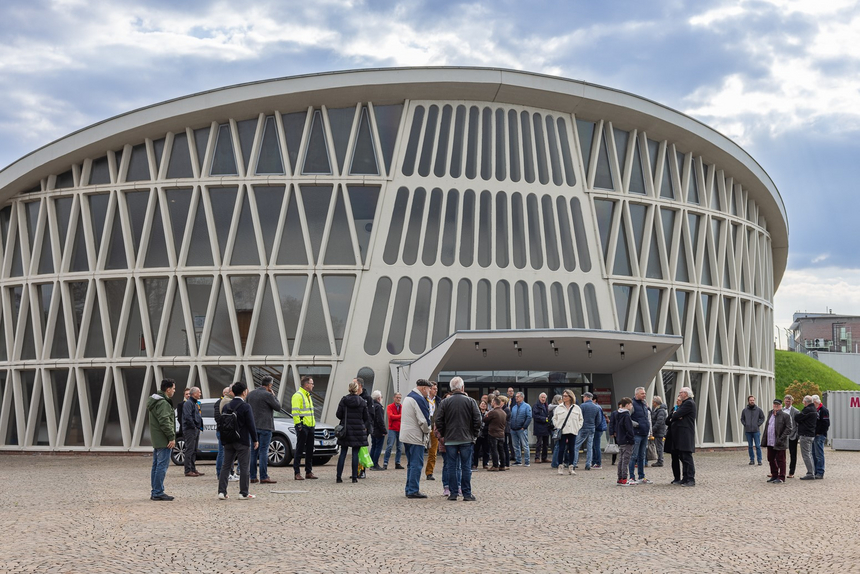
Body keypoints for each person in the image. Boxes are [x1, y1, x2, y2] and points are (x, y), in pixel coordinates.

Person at [435, 376, 482, 501]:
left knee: (451, 466)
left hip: (450, 439)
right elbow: (478, 420)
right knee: (466, 467)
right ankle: (466, 493)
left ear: (451, 388)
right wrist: (474, 434)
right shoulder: (470, 401)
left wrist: (444, 434)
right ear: (462, 387)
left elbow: (438, 420)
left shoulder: (445, 402)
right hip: (466, 438)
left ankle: (453, 493)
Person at [217, 381, 259, 500]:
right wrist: (255, 439)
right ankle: (243, 493)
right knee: (245, 466)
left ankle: (222, 492)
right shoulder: (246, 406)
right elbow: (251, 424)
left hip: (229, 440)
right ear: (244, 392)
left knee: (226, 466)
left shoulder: (226, 406)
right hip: (242, 440)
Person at [335, 379, 372, 483]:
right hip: (358, 430)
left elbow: (338, 414)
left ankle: (338, 477)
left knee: (343, 453)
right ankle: (355, 477)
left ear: (349, 389)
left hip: (346, 430)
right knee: (355, 453)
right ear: (357, 389)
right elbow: (366, 417)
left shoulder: (344, 400)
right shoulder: (362, 401)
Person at [401, 380, 432, 498]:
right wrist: (428, 430)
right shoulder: (419, 399)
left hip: (407, 436)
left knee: (411, 464)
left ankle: (409, 488)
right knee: (416, 464)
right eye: (429, 389)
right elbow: (423, 420)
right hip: (415, 436)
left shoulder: (409, 397)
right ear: (424, 388)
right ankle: (413, 490)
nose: (429, 392)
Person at [247, 376, 281, 484]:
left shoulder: (251, 394)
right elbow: (278, 407)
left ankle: (252, 476)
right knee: (263, 451)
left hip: (253, 427)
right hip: (265, 426)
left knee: (253, 452)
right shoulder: (268, 395)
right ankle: (263, 476)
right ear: (269, 385)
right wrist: (274, 396)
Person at [147, 379, 176, 501]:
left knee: (156, 466)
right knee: (161, 466)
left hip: (157, 438)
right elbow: (165, 421)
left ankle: (155, 491)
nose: (174, 391)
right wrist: (171, 437)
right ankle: (158, 492)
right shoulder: (163, 403)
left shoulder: (155, 400)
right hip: (164, 439)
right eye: (173, 388)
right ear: (168, 389)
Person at [668, 387, 696, 487]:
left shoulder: (689, 403)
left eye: (681, 393)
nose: (679, 394)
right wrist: (676, 415)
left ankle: (690, 479)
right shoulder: (684, 404)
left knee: (687, 457)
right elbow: (673, 416)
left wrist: (676, 415)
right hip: (681, 435)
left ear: (686, 394)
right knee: (683, 457)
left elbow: (676, 415)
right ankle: (685, 478)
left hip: (685, 434)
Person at [291, 376, 318, 481]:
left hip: (310, 425)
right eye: (312, 383)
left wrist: (313, 424)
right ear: (306, 384)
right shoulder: (298, 395)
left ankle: (308, 471)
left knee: (310, 450)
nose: (313, 385)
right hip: (303, 426)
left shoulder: (308, 396)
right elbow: (295, 412)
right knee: (299, 449)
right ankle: (297, 472)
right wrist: (298, 425)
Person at [552, 389, 583, 475]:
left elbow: (581, 419)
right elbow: (554, 418)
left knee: (572, 449)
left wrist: (577, 427)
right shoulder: (559, 407)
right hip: (562, 431)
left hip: (573, 431)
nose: (564, 397)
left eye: (566, 396)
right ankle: (560, 466)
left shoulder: (577, 408)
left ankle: (571, 467)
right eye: (563, 396)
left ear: (570, 397)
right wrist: (557, 426)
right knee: (561, 449)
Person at [762, 398, 792, 484]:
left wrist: (781, 438)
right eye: (774, 404)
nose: (776, 406)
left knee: (781, 459)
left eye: (777, 404)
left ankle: (781, 477)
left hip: (779, 441)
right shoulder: (770, 413)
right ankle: (774, 474)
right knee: (770, 458)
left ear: (781, 406)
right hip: (770, 440)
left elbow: (789, 428)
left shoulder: (785, 416)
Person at [214, 386, 239, 482]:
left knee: (228, 453)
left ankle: (230, 473)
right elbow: (218, 417)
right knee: (222, 453)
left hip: (224, 430)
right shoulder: (221, 402)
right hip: (223, 431)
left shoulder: (227, 401)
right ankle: (221, 474)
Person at [628, 387, 652, 485]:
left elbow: (648, 417)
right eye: (642, 393)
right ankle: (632, 477)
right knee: (633, 456)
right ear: (636, 394)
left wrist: (649, 430)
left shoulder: (644, 404)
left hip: (644, 433)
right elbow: (627, 418)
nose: (644, 395)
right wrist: (636, 424)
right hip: (636, 434)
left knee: (642, 456)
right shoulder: (632, 404)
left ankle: (641, 476)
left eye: (644, 393)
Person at [610, 397, 636, 486]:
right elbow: (629, 429)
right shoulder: (626, 415)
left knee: (621, 459)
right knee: (626, 460)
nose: (632, 406)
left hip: (620, 439)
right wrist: (632, 439)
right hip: (627, 440)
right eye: (631, 404)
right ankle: (624, 478)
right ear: (627, 405)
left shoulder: (617, 414)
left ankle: (620, 478)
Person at [574, 392, 602, 470]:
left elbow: (579, 417)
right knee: (590, 447)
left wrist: (579, 426)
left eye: (584, 397)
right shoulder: (596, 407)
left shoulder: (582, 406)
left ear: (587, 397)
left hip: (583, 428)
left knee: (576, 445)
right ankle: (588, 464)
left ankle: (574, 462)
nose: (583, 398)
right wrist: (594, 426)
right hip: (592, 428)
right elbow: (598, 420)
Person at [181, 386, 204, 477]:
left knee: (194, 450)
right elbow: (188, 416)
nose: (200, 394)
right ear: (194, 393)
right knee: (189, 450)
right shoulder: (188, 403)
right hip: (190, 429)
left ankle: (193, 469)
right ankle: (188, 470)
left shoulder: (194, 403)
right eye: (199, 392)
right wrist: (194, 426)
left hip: (195, 429)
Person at [795, 396, 818, 480]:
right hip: (811, 434)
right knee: (809, 454)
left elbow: (797, 418)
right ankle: (812, 472)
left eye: (803, 401)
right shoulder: (814, 409)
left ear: (805, 402)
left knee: (806, 455)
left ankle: (810, 473)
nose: (803, 403)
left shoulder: (807, 410)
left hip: (805, 435)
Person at [509, 392, 532, 466]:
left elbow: (529, 417)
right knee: (516, 446)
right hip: (513, 429)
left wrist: (524, 427)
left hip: (521, 429)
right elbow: (511, 417)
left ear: (522, 397)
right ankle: (518, 461)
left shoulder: (527, 406)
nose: (516, 398)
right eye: (516, 397)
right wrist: (511, 426)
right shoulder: (514, 407)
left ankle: (527, 461)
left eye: (518, 397)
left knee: (525, 445)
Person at [741, 395, 765, 466]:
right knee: (750, 446)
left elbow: (762, 418)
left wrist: (758, 424)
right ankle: (752, 460)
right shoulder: (745, 410)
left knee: (758, 446)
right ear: (748, 401)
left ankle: (759, 460)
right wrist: (745, 424)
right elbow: (742, 418)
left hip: (756, 430)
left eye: (753, 400)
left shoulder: (758, 410)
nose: (752, 401)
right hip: (748, 431)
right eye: (751, 400)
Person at [485, 397, 507, 471]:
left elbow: (485, 419)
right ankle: (503, 465)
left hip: (493, 433)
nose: (491, 404)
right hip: (501, 434)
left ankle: (495, 465)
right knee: (501, 450)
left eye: (491, 402)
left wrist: (487, 414)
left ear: (494, 403)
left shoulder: (493, 412)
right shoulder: (503, 412)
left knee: (494, 450)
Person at [383, 393, 404, 470]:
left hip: (400, 429)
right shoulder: (390, 407)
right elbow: (391, 416)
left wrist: (397, 417)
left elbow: (404, 416)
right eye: (397, 397)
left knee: (399, 447)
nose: (398, 399)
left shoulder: (402, 407)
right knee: (389, 446)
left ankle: (397, 463)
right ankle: (385, 462)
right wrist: (400, 416)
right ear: (394, 398)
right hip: (392, 429)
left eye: (400, 398)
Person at [812, 395, 829, 479]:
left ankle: (820, 471)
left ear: (815, 402)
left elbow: (826, 424)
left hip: (819, 435)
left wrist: (819, 432)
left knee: (819, 454)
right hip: (813, 435)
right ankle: (815, 471)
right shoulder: (815, 410)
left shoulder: (823, 410)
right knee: (813, 454)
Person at [369, 390, 387, 470]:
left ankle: (371, 463)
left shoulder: (371, 405)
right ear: (379, 398)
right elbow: (380, 420)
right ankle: (375, 464)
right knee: (378, 448)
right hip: (378, 430)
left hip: (372, 429)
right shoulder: (379, 407)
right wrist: (384, 431)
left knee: (373, 446)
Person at [425, 382, 440, 481]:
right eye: (434, 389)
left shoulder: (439, 401)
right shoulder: (423, 400)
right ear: (429, 389)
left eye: (436, 389)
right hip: (424, 427)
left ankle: (429, 472)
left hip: (434, 428)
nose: (436, 391)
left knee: (433, 452)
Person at [782, 394, 799, 478]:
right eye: (786, 401)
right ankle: (780, 470)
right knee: (780, 453)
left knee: (793, 454)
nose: (787, 402)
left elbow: (798, 424)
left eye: (789, 401)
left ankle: (791, 472)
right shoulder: (781, 410)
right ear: (784, 401)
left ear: (792, 402)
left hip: (792, 435)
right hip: (782, 435)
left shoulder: (796, 411)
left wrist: (796, 435)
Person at [532, 393, 551, 464]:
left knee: (546, 444)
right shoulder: (536, 406)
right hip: (539, 427)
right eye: (542, 397)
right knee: (539, 443)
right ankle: (537, 457)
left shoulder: (546, 405)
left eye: (544, 398)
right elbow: (535, 416)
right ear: (539, 398)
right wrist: (545, 419)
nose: (543, 399)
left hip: (546, 427)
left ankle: (544, 457)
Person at [651, 396, 668, 467]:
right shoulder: (659, 410)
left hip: (659, 431)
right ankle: (660, 460)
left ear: (655, 403)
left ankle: (660, 461)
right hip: (659, 431)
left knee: (659, 446)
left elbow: (659, 421)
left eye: (653, 402)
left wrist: (653, 429)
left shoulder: (660, 410)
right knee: (659, 446)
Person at [473, 400, 490, 470]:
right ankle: (474, 464)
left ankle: (485, 463)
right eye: (482, 404)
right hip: (478, 434)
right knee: (476, 450)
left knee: (486, 450)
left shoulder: (488, 414)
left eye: (484, 404)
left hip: (486, 434)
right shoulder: (477, 413)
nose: (483, 405)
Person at [591, 397, 606, 470]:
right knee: (594, 445)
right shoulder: (598, 407)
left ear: (594, 400)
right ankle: (594, 462)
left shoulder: (597, 407)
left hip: (597, 429)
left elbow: (598, 420)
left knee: (596, 446)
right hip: (598, 428)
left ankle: (598, 462)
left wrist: (594, 426)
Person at [548, 394, 563, 468]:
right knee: (557, 445)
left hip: (553, 428)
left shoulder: (550, 407)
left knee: (556, 445)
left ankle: (555, 462)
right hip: (557, 428)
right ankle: (555, 462)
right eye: (560, 399)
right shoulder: (557, 408)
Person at [500, 395, 513, 469]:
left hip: (505, 430)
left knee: (505, 446)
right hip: (503, 429)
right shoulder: (503, 409)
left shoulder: (506, 410)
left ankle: (507, 463)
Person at [506, 387, 516, 461]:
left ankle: (514, 455)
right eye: (509, 391)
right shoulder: (506, 400)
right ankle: (511, 455)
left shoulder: (515, 400)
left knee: (513, 441)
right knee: (508, 441)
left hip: (513, 422)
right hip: (506, 423)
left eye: (512, 391)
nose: (511, 392)